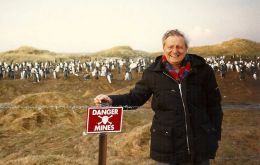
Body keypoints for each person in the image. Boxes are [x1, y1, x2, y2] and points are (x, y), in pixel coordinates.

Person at [94, 29, 223, 165]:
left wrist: (213, 133)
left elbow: (214, 105)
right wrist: (112, 100)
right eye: (170, 47)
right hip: (167, 145)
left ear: (186, 48)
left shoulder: (202, 70)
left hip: (199, 144)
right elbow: (135, 98)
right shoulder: (153, 73)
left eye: (179, 46)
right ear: (164, 48)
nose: (175, 51)